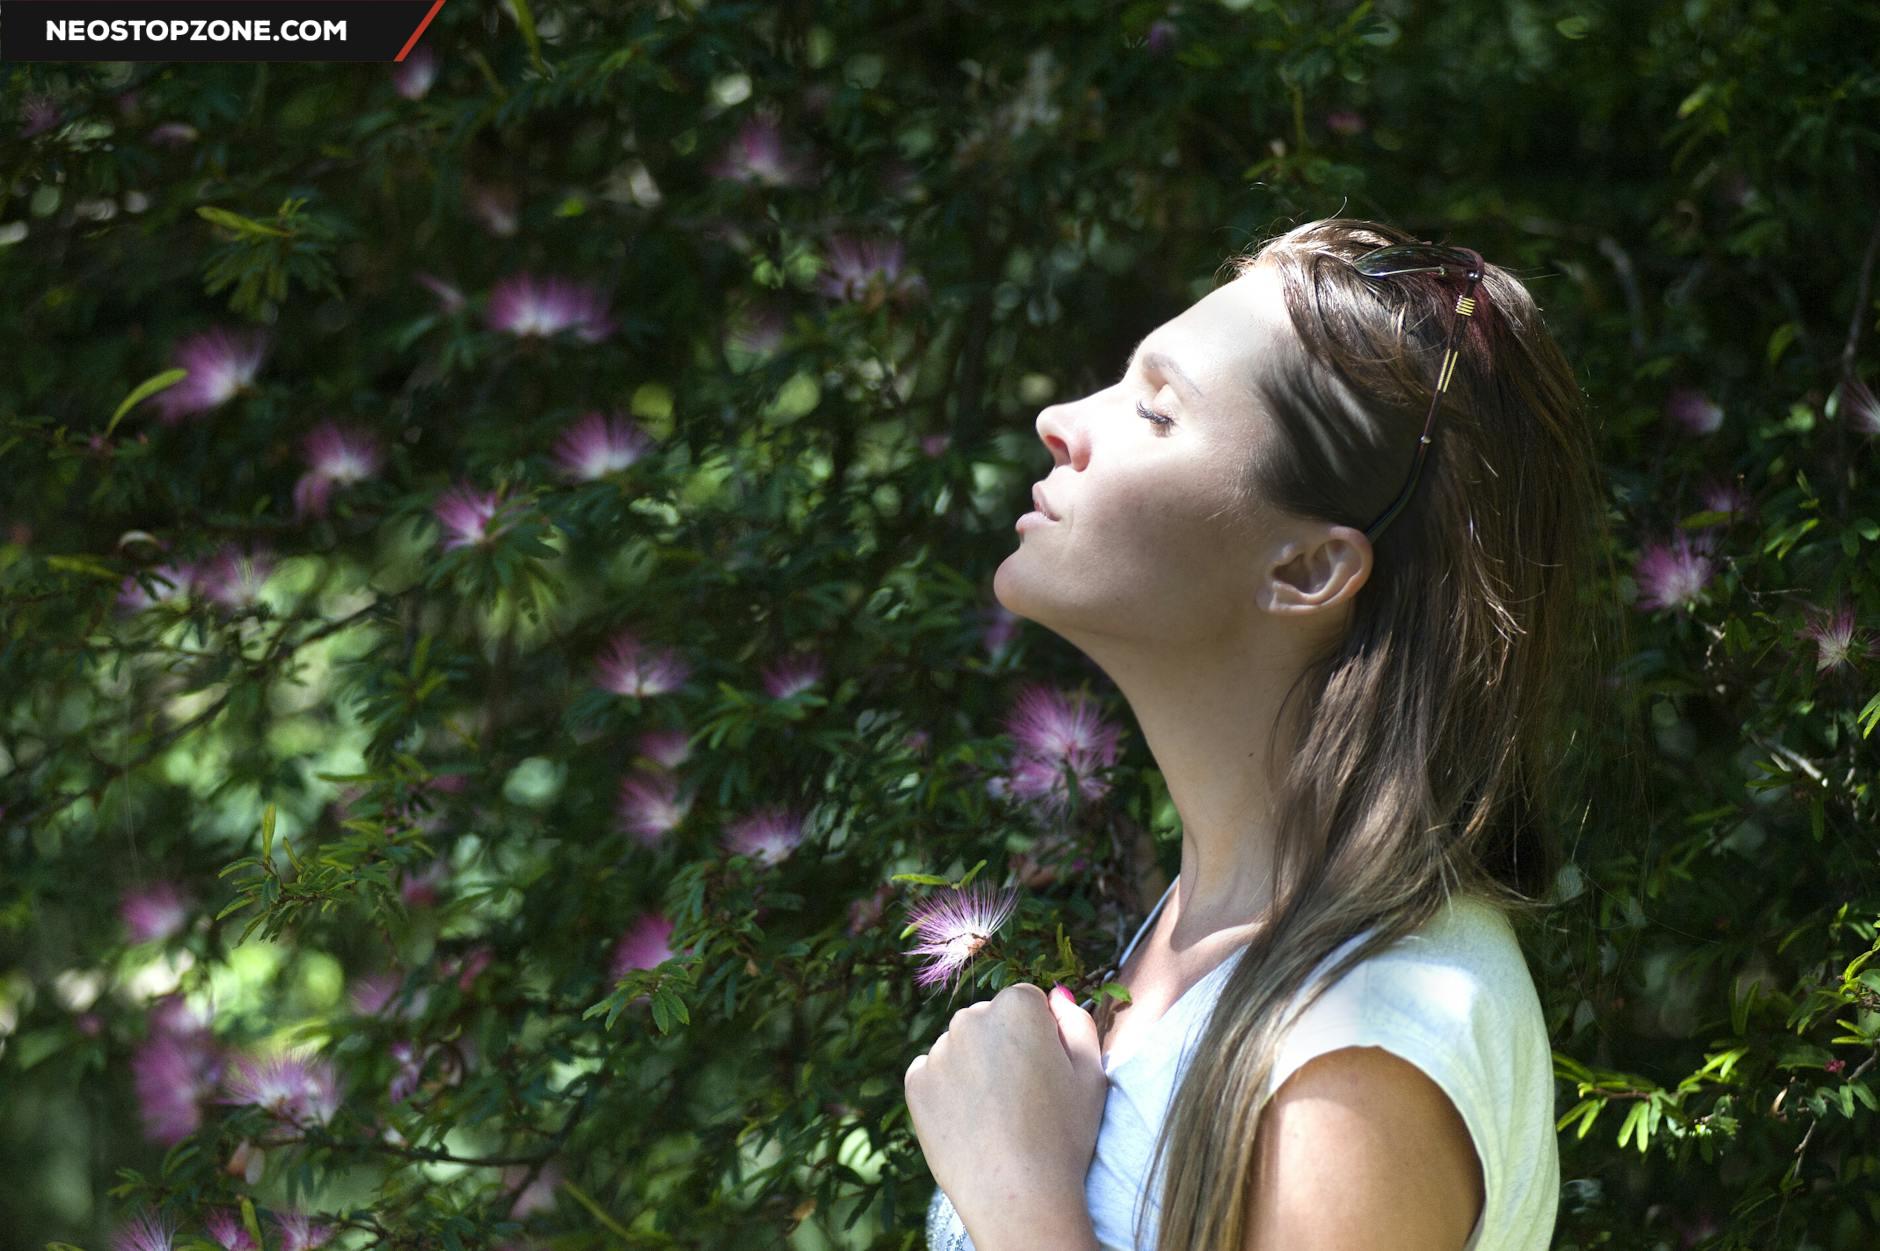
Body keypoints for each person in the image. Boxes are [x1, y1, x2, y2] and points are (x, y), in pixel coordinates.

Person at [907, 215, 1620, 1251]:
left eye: (1156, 411)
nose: (1061, 418)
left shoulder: (1361, 1048)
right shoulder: (1203, 935)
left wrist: (1016, 1195)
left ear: (1306, 572)